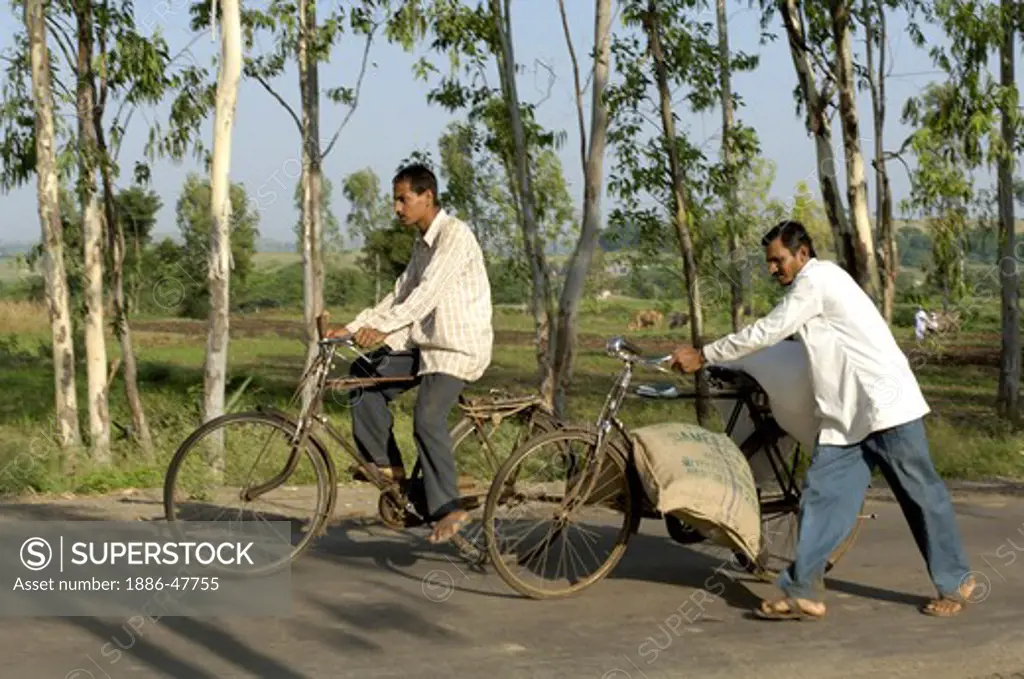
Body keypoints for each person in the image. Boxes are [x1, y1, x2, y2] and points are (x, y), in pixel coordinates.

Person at [669, 220, 975, 620]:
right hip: (846, 418)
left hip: (886, 407)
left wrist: (706, 353)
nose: (772, 268)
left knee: (920, 496)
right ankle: (803, 591)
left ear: (803, 253)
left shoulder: (818, 281)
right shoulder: (811, 289)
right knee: (820, 498)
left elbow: (770, 330)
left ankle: (955, 582)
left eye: (778, 260)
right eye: (768, 262)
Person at [326, 163, 493, 544]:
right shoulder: (422, 246)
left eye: (404, 199)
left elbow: (425, 295)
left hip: (455, 349)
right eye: (395, 200)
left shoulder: (455, 237)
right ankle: (390, 474)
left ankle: (449, 506)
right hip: (424, 345)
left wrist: (384, 328)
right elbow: (398, 295)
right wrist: (352, 328)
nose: (397, 208)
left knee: (427, 418)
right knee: (361, 376)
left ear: (427, 196)